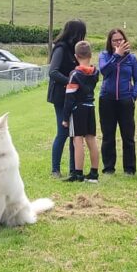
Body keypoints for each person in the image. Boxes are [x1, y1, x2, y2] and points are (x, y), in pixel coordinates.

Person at [98, 28, 137, 175]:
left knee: (128, 136)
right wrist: (116, 56)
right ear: (110, 42)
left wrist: (133, 96)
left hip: (125, 101)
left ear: (125, 40)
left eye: (120, 39)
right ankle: (108, 168)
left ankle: (129, 169)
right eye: (114, 40)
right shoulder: (104, 56)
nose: (118, 42)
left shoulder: (132, 59)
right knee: (108, 136)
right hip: (107, 100)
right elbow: (104, 71)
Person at [47, 19, 87, 178]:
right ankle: (55, 169)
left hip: (73, 96)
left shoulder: (74, 50)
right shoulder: (61, 48)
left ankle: (73, 169)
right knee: (63, 132)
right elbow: (53, 72)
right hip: (60, 96)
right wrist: (71, 82)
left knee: (74, 133)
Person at [62, 40, 100, 183]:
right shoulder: (95, 72)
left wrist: (65, 117)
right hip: (90, 106)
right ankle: (94, 173)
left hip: (78, 109)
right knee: (91, 140)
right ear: (90, 55)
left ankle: (78, 173)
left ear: (76, 56)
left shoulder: (74, 74)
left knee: (77, 140)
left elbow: (69, 98)